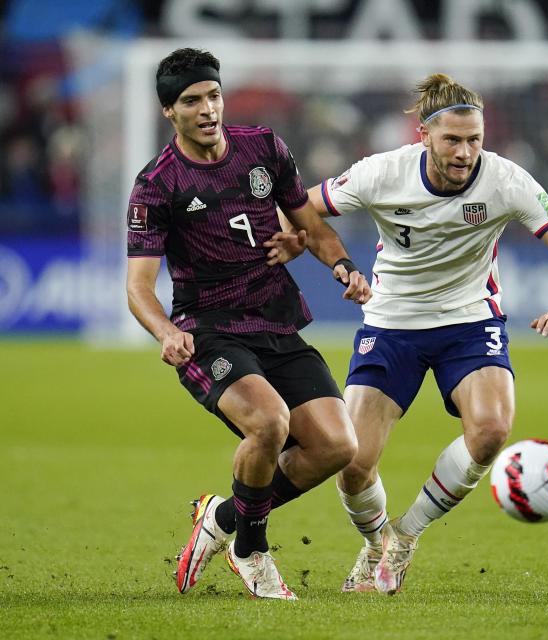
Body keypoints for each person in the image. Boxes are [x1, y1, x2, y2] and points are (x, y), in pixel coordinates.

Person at [273, 73, 548, 594]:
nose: (465, 151)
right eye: (452, 139)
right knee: (353, 465)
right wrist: (302, 243)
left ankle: (404, 538)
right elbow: (301, 206)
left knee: (493, 428)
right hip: (392, 322)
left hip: (469, 320)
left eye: (475, 139)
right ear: (423, 135)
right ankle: (377, 542)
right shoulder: (382, 172)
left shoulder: (505, 179)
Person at [125, 48, 371, 601]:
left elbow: (314, 228)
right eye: (192, 101)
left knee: (337, 446)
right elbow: (138, 287)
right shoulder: (156, 185)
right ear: (170, 111)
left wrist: (341, 266)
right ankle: (251, 551)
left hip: (278, 323)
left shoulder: (264, 149)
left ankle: (223, 517)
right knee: (268, 424)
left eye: (213, 94)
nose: (207, 108)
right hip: (207, 330)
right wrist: (167, 333)